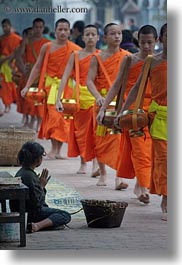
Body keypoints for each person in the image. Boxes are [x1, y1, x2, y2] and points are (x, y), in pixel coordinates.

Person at [97, 25, 158, 203]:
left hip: (155, 111)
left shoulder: (159, 61)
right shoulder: (130, 60)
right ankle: (145, 187)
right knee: (140, 150)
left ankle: (140, 184)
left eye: (150, 42)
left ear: (156, 41)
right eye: (142, 42)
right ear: (136, 41)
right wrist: (104, 108)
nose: (146, 46)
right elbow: (116, 85)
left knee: (149, 150)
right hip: (132, 111)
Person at [116, 23, 167, 220]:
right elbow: (136, 88)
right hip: (159, 117)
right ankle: (166, 197)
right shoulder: (152, 62)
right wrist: (122, 112)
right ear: (162, 39)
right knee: (163, 160)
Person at [21, 18, 81, 159]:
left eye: (65, 29)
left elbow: (82, 70)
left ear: (69, 31)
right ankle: (54, 149)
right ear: (55, 31)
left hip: (66, 88)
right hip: (50, 87)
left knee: (63, 119)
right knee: (53, 117)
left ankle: (58, 150)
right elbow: (37, 67)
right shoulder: (47, 47)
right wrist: (27, 86)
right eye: (60, 29)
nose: (63, 32)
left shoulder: (75, 50)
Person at [86, 22, 130, 186]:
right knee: (101, 140)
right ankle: (103, 174)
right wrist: (97, 96)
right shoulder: (97, 58)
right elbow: (89, 81)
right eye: (112, 33)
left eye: (119, 33)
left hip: (120, 104)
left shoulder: (127, 57)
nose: (117, 36)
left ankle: (119, 177)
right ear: (105, 37)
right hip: (102, 104)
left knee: (120, 141)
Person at [56, 24, 100, 175]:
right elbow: (64, 78)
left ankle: (96, 163)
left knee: (96, 131)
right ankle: (83, 162)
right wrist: (58, 98)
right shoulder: (75, 56)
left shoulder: (101, 55)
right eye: (87, 34)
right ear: (82, 38)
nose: (90, 37)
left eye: (93, 34)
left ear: (98, 37)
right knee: (80, 132)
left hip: (96, 98)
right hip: (80, 98)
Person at [10, 141, 71, 232]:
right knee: (64, 215)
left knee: (55, 216)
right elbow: (37, 203)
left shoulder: (23, 172)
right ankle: (38, 226)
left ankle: (46, 224)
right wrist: (41, 186)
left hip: (24, 211)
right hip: (31, 213)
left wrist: (38, 185)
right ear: (38, 159)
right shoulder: (28, 176)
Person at [16, 18, 50, 131]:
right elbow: (19, 56)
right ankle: (30, 119)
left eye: (41, 27)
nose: (38, 29)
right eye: (36, 27)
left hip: (42, 73)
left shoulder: (47, 43)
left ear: (43, 28)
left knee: (41, 98)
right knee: (29, 98)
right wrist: (22, 68)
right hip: (30, 73)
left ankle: (39, 123)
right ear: (33, 27)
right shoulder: (27, 41)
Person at [0, 18, 22, 113]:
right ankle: (6, 104)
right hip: (2, 64)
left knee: (10, 84)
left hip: (11, 64)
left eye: (6, 26)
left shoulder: (17, 39)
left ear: (10, 26)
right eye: (3, 26)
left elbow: (19, 51)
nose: (5, 28)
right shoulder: (1, 38)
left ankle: (9, 104)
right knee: (4, 85)